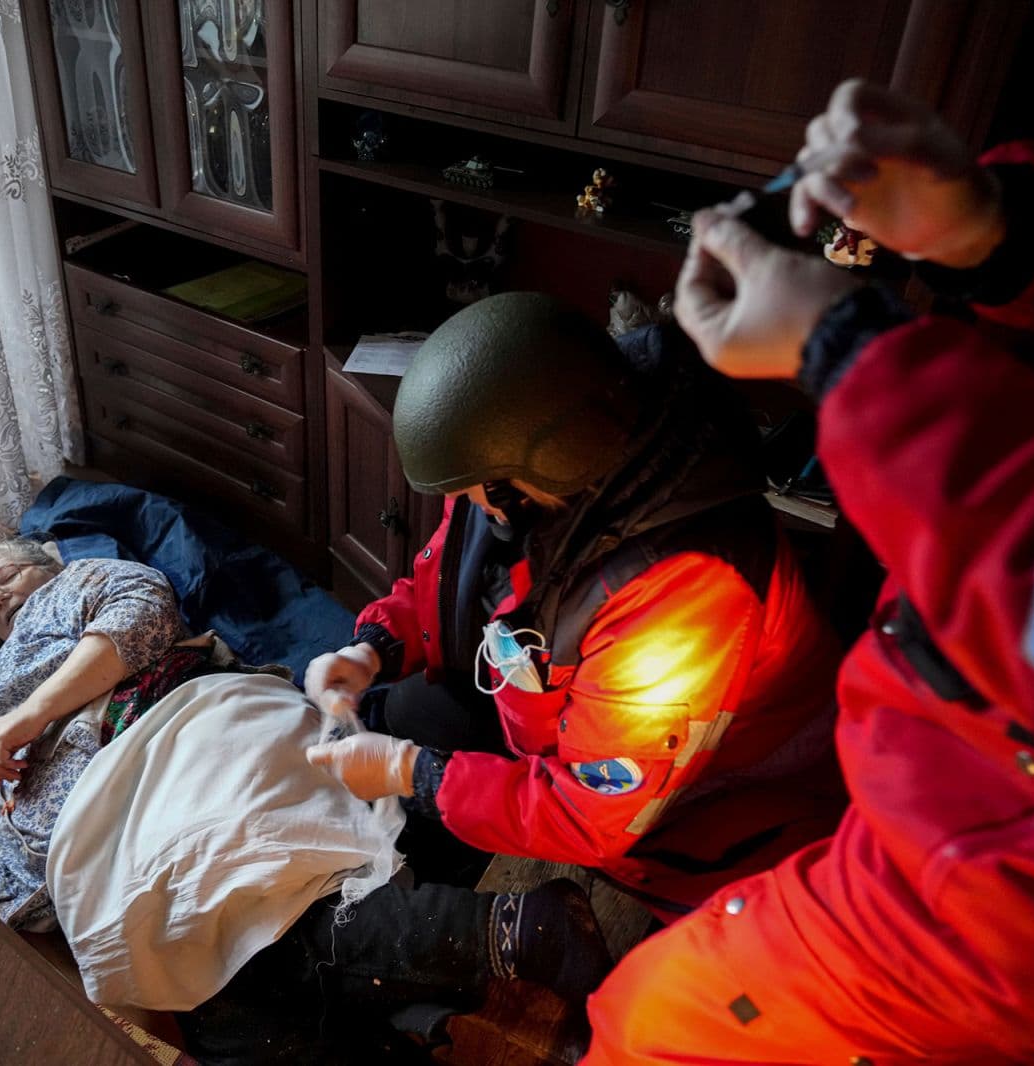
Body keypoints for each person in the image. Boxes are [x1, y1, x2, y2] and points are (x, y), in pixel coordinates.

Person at [583, 80, 1034, 1063]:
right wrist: (1002, 231)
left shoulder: (677, 590)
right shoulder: (528, 532)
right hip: (946, 756)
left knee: (647, 1023)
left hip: (1012, 882)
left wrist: (850, 354)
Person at [0, 540, 612, 1064]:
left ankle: (504, 945)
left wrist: (35, 703)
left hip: (174, 741)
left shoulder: (82, 584)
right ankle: (504, 943)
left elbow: (142, 618)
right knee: (221, 1003)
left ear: (50, 560)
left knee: (222, 912)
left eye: (7, 574)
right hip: (96, 851)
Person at [306, 291, 845, 915]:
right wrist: (375, 647)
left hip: (699, 816)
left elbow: (592, 815)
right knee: (411, 710)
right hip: (547, 709)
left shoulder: (682, 596)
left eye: (471, 495)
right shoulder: (525, 477)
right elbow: (460, 579)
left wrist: (415, 776)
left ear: (525, 476)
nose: (469, 506)